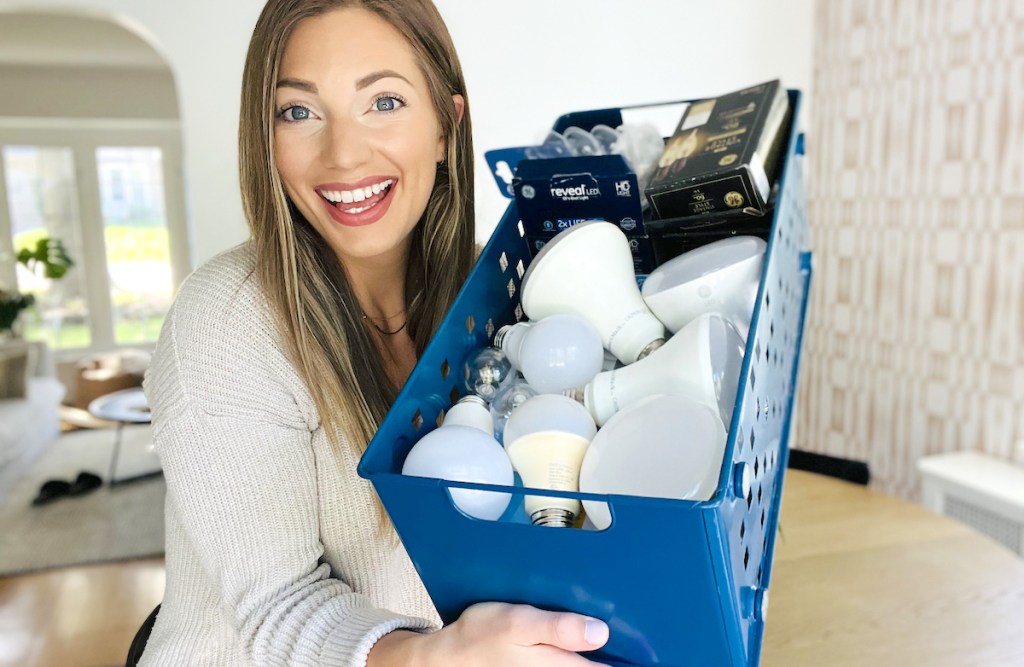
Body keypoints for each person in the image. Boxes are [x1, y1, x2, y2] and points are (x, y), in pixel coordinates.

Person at [139, 0, 611, 665]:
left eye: (383, 102)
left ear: (447, 126)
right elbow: (279, 607)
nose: (344, 153)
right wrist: (434, 657)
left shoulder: (486, 293)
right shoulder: (227, 319)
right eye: (297, 112)